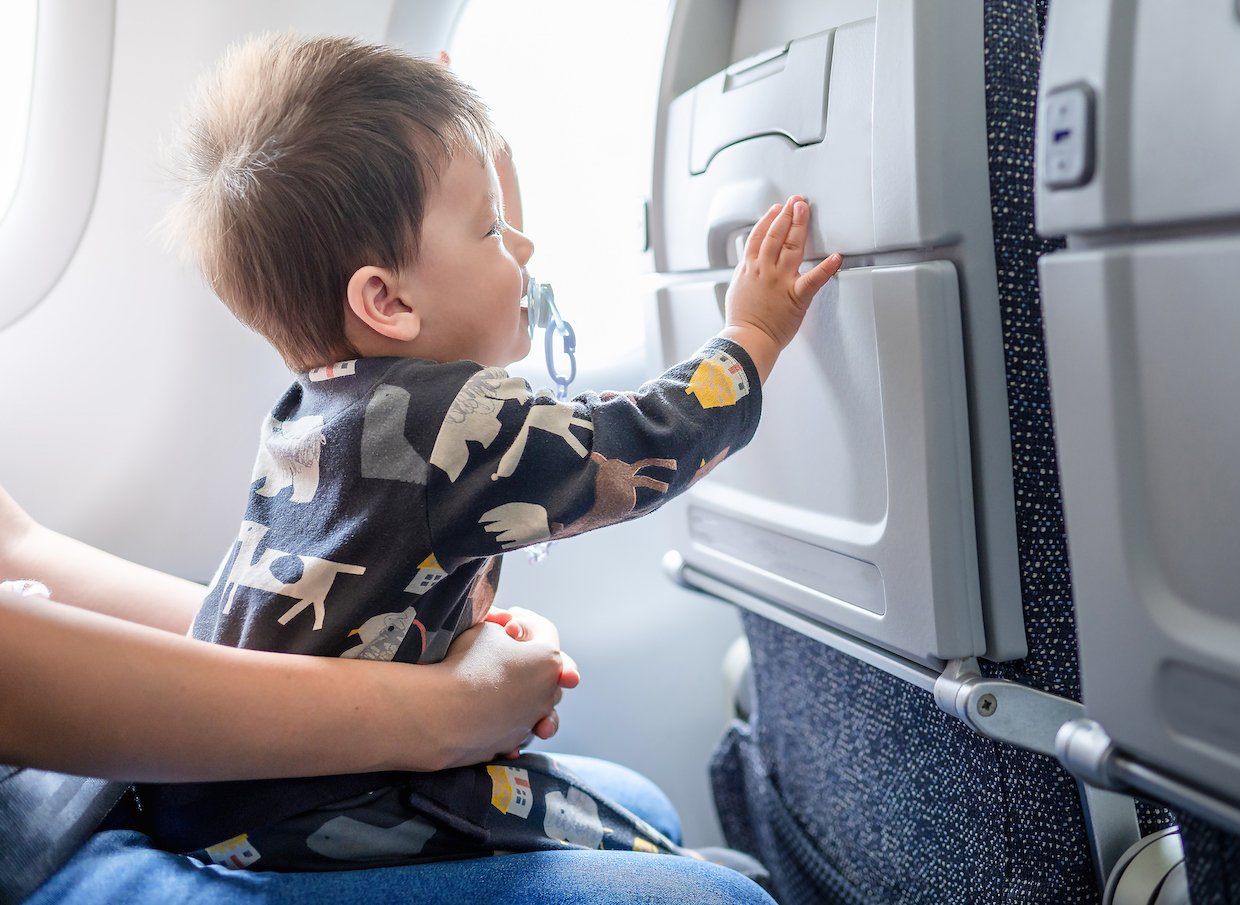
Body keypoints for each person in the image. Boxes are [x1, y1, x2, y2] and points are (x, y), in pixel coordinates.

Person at [144, 32, 840, 874]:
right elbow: (638, 446)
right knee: (697, 867)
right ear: (388, 300)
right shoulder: (451, 419)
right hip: (330, 804)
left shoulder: (312, 405)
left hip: (225, 790)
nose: (524, 249)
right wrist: (753, 334)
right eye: (491, 229)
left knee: (644, 832)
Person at [0, 486, 776, 904]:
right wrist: (448, 712)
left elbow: (18, 553)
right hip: (32, 860)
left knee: (638, 803)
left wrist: (393, 654)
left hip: (102, 783)